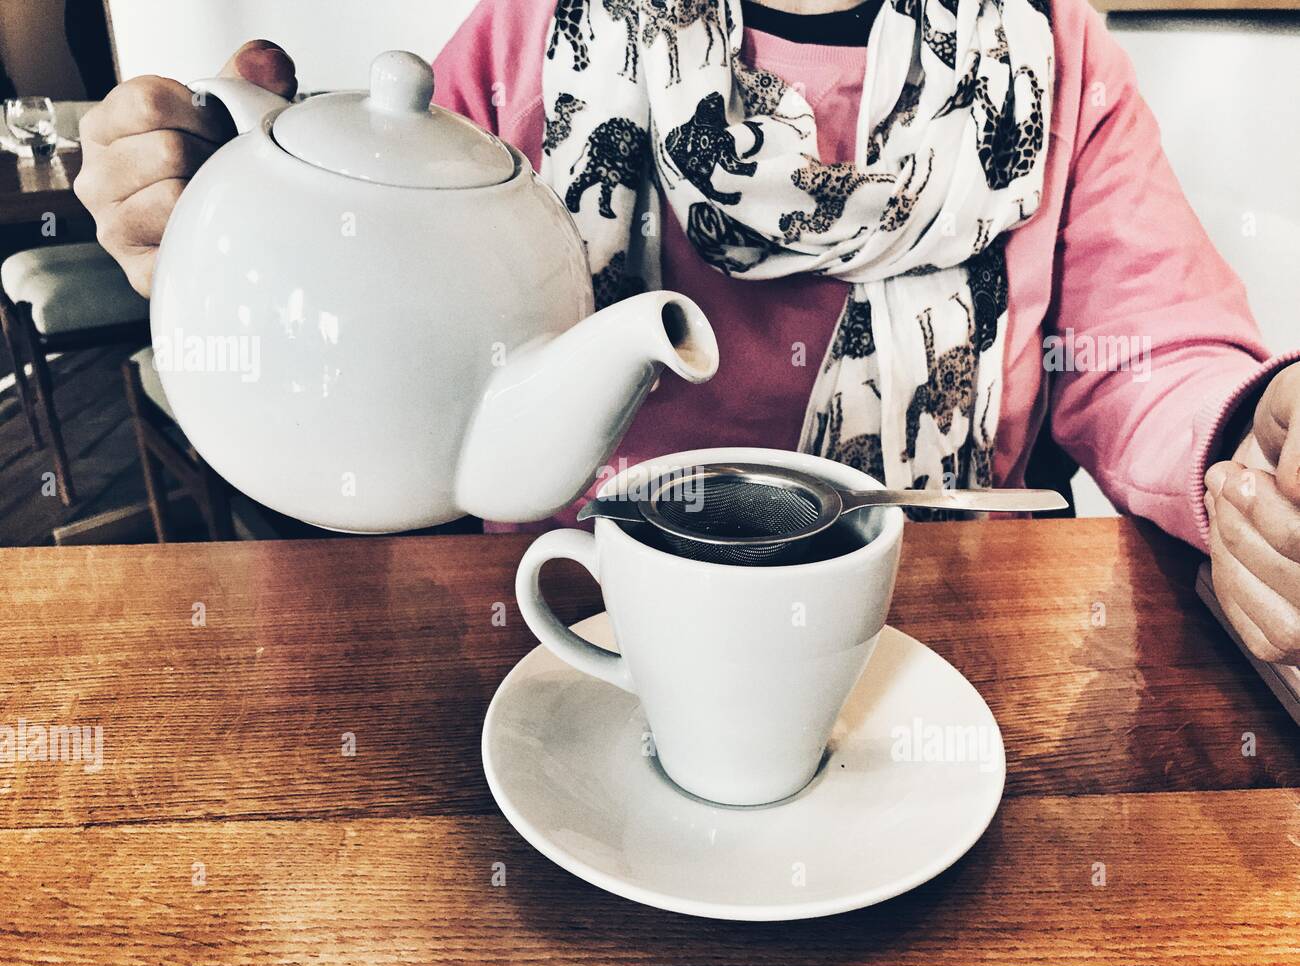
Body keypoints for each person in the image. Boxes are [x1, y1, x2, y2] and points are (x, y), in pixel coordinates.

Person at [73, 0, 1300, 665]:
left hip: (935, 643)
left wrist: (1254, 441)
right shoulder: (534, 32)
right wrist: (229, 218)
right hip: (567, 626)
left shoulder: (1051, 55)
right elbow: (398, 305)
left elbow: (1151, 350)